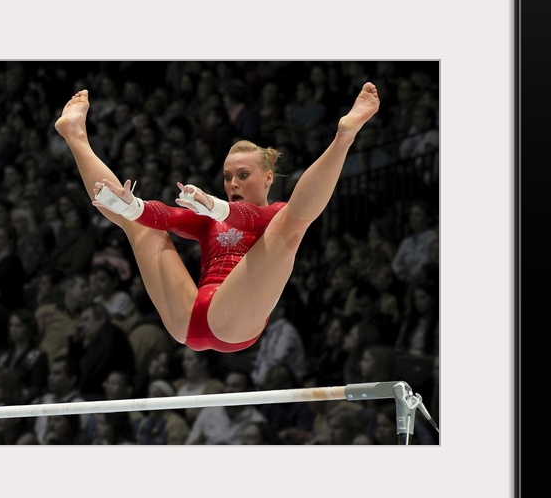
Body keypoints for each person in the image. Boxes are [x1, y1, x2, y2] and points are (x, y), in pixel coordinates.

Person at [54, 84, 379, 355]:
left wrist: (218, 208)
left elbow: (253, 218)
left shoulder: (273, 214)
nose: (233, 183)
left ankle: (344, 137)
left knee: (289, 224)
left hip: (234, 323)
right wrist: (133, 207)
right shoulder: (211, 219)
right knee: (141, 226)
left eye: (243, 175)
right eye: (227, 176)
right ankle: (75, 136)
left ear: (268, 178)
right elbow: (171, 216)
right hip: (186, 317)